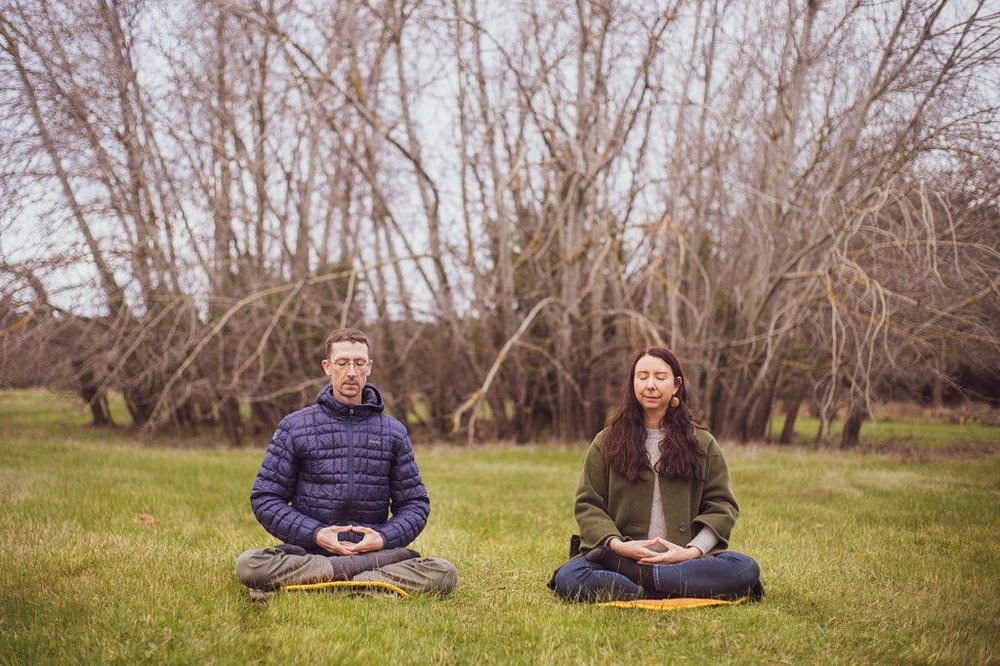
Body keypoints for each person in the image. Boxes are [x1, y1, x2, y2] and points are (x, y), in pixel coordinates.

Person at [235, 327, 457, 596]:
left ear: (369, 367)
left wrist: (383, 538)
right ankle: (363, 583)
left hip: (374, 554)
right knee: (250, 565)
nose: (351, 371)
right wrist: (316, 534)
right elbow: (265, 498)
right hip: (310, 553)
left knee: (444, 572)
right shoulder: (294, 426)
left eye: (359, 363)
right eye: (342, 363)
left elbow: (415, 504)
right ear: (327, 366)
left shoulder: (393, 432)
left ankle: (322, 581)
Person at [549, 346, 763, 602]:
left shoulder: (702, 443)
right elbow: (588, 505)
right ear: (633, 383)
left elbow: (722, 505)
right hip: (622, 559)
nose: (650, 385)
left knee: (745, 568)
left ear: (676, 385)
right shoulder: (606, 442)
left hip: (684, 562)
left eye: (660, 377)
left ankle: (643, 586)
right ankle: (667, 587)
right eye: (642, 376)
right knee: (571, 576)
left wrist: (692, 551)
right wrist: (618, 545)